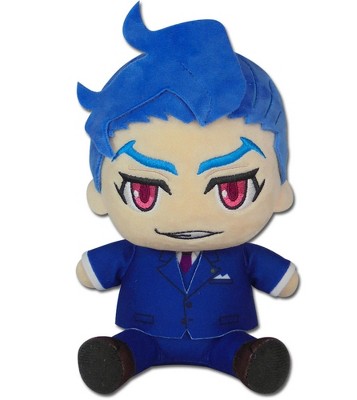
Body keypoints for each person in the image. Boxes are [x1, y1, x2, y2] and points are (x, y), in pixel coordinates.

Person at [76, 2, 299, 395]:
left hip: (223, 335)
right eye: (144, 191)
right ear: (101, 193)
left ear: (279, 190)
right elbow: (91, 271)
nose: (188, 214)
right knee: (133, 346)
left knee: (234, 348)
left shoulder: (241, 255)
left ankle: (246, 359)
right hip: (145, 333)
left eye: (232, 190)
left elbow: (283, 280)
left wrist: (282, 279)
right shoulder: (132, 253)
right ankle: (121, 357)